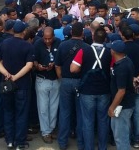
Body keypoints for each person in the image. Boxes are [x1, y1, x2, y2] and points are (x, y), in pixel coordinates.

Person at [0, 21, 34, 150]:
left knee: (8, 112)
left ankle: (9, 140)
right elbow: (29, 65)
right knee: (21, 114)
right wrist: (15, 77)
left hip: (6, 84)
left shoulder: (4, 43)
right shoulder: (28, 46)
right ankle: (20, 142)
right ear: (24, 32)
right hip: (22, 85)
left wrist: (6, 73)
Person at [70, 28, 111, 150]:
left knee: (88, 122)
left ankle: (88, 147)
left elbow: (73, 69)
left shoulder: (84, 50)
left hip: (87, 90)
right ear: (105, 39)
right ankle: (102, 147)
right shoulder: (110, 52)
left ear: (93, 37)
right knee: (103, 121)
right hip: (104, 90)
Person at [55, 22, 88, 150]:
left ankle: (62, 142)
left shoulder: (62, 45)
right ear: (83, 33)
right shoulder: (86, 47)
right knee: (81, 113)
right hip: (81, 82)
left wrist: (61, 78)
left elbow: (57, 65)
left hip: (66, 81)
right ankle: (81, 143)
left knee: (64, 112)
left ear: (70, 32)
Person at [32, 27, 60, 144]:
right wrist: (38, 66)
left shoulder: (58, 42)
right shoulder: (38, 44)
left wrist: (55, 64)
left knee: (54, 107)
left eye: (49, 38)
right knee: (43, 108)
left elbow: (61, 58)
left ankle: (52, 128)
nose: (47, 41)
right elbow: (33, 60)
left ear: (53, 36)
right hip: (42, 79)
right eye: (45, 38)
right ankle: (45, 132)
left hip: (55, 79)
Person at [107, 40, 135, 150]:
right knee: (121, 134)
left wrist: (112, 107)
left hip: (122, 106)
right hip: (125, 104)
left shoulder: (121, 67)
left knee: (121, 137)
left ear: (114, 51)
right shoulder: (127, 61)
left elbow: (121, 91)